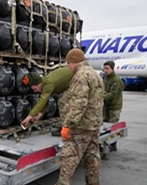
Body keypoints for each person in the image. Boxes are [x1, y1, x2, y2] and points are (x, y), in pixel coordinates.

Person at [55, 48, 104, 185]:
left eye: (68, 64)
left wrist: (68, 124)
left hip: (81, 126)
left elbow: (79, 103)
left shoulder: (80, 76)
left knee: (69, 157)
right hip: (94, 124)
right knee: (92, 156)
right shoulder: (96, 74)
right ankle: (93, 182)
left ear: (74, 62)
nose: (68, 67)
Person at [103, 60, 123, 151]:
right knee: (106, 126)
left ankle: (113, 145)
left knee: (113, 126)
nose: (105, 70)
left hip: (114, 107)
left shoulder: (116, 79)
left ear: (112, 68)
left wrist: (101, 98)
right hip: (107, 106)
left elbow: (112, 94)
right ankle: (107, 143)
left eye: (107, 68)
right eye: (104, 68)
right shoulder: (107, 78)